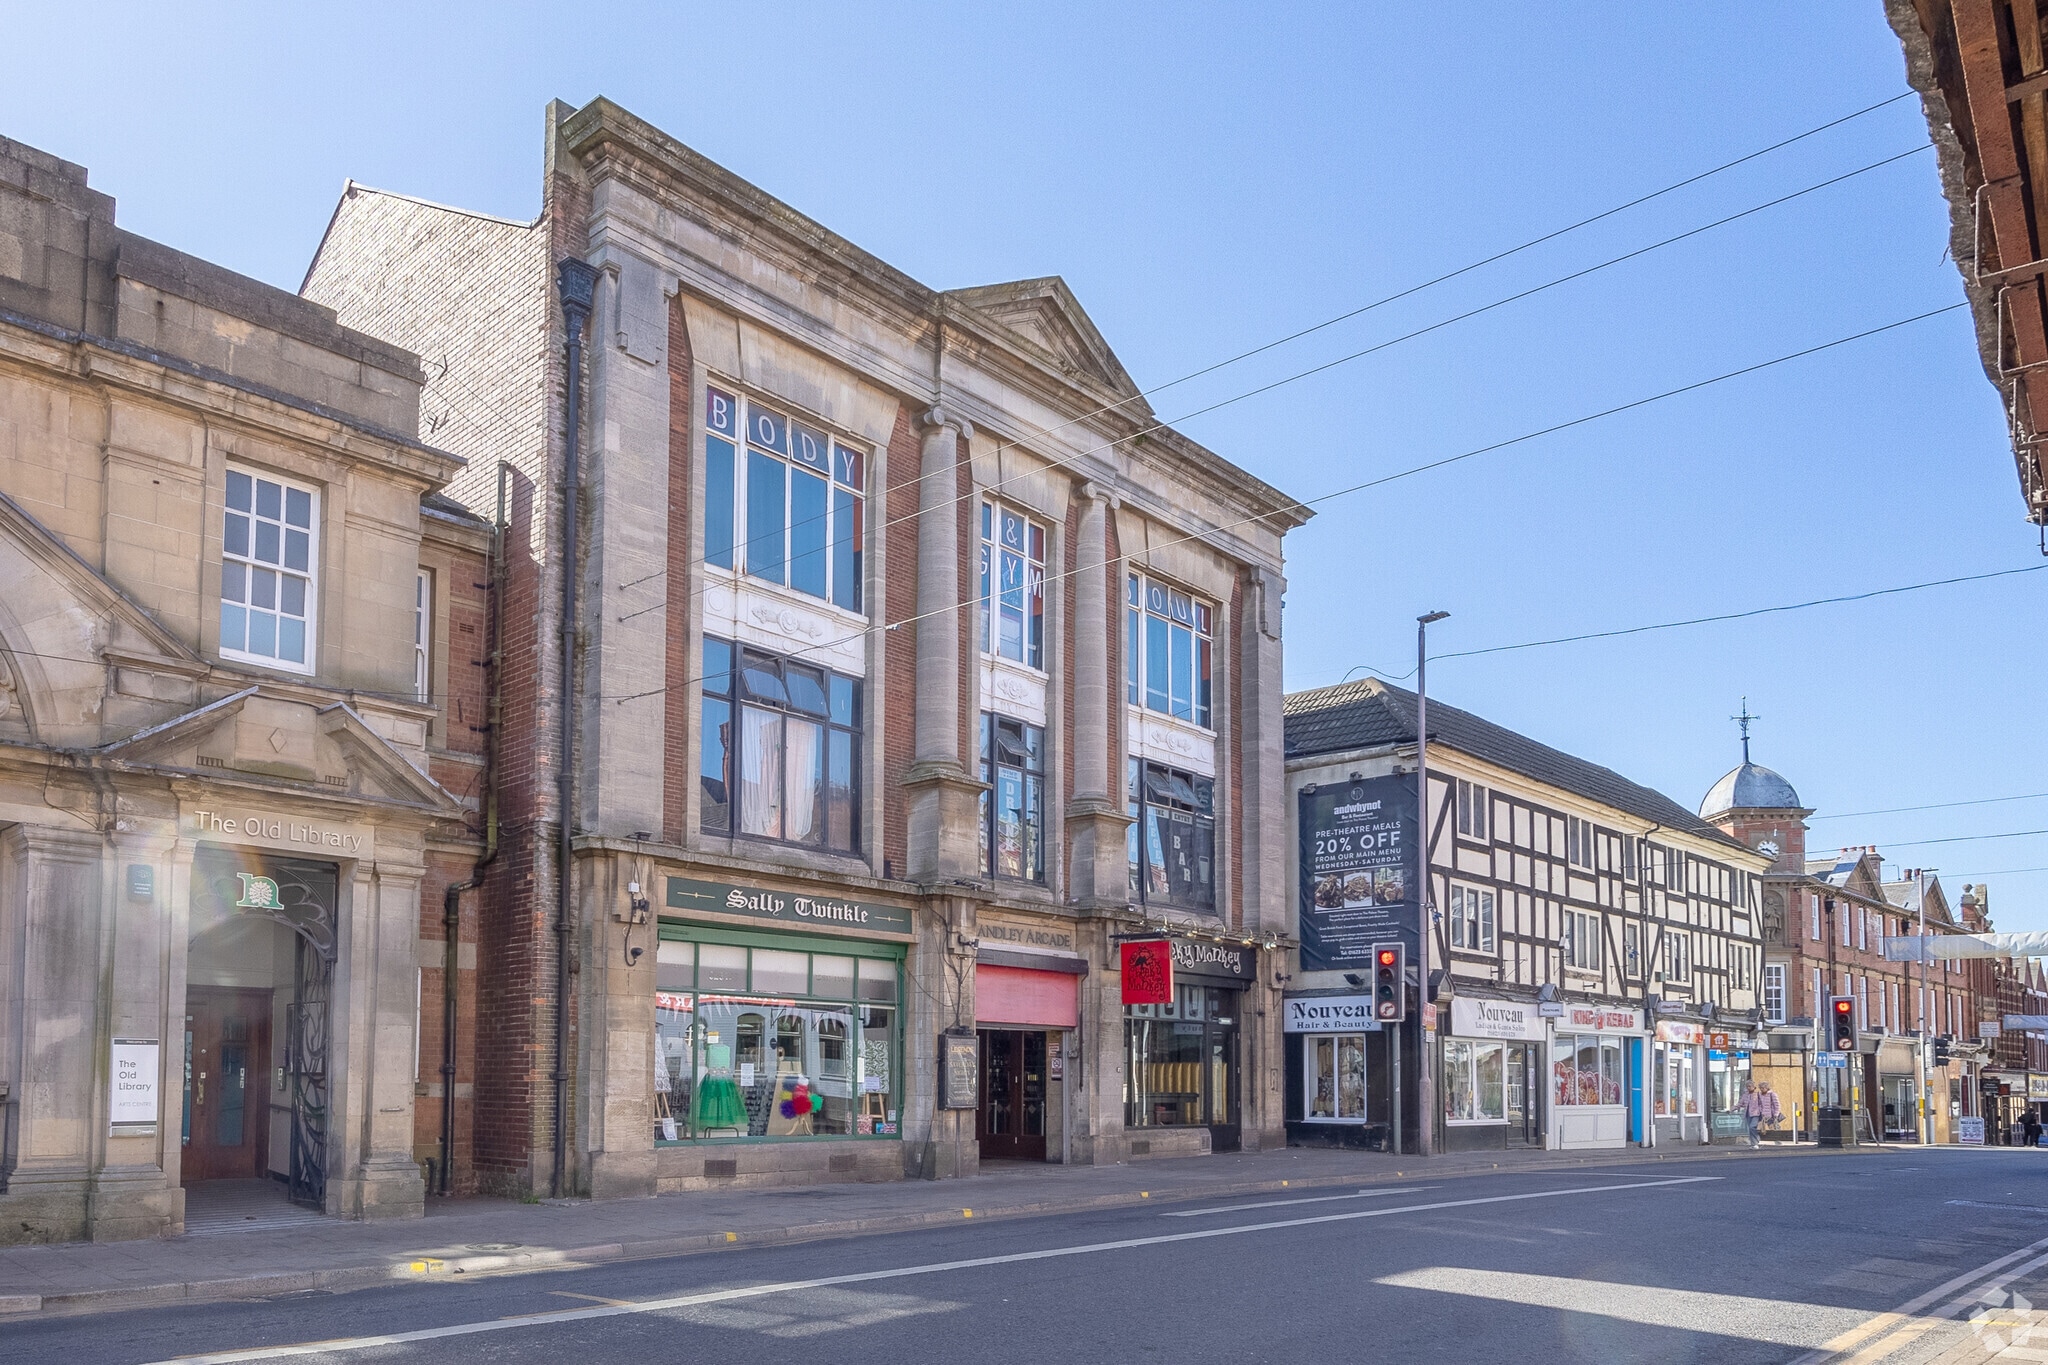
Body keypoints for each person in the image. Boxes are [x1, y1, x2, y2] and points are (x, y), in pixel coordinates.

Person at [1740, 1079, 1781, 1150]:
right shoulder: (1759, 1094)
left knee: (1773, 1128)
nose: (1761, 1089)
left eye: (1763, 1088)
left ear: (1767, 1088)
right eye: (1760, 1088)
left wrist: (1776, 1114)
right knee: (1755, 1128)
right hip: (1761, 1114)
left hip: (1770, 1115)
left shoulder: (1772, 1094)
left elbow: (1777, 1105)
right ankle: (1755, 1143)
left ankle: (1778, 1141)